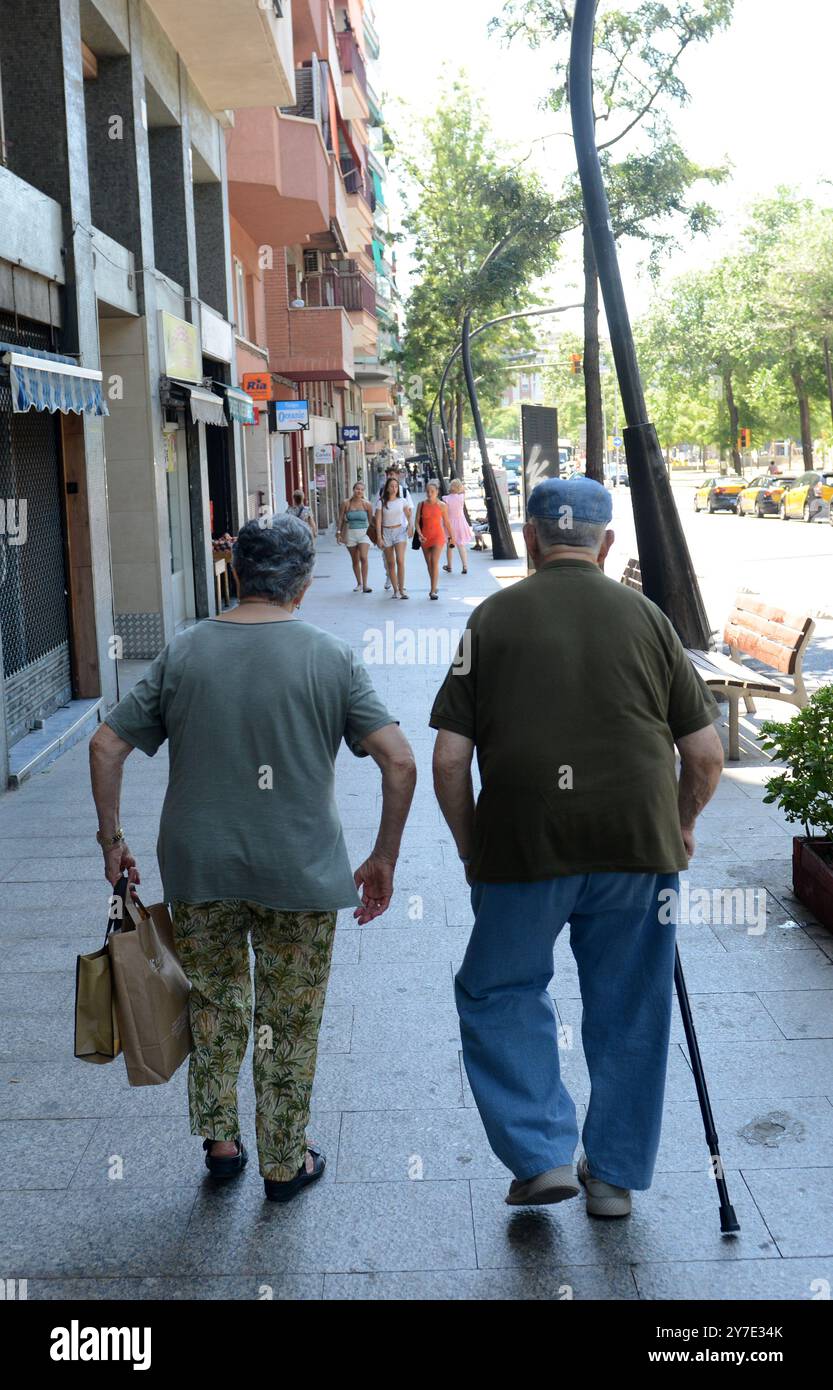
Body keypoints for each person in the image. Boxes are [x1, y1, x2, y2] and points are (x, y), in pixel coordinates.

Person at [89, 515, 416, 1204]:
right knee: (287, 1018)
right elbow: (399, 761)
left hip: (198, 864)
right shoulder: (329, 656)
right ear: (301, 582)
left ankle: (221, 1143)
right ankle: (284, 1162)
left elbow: (105, 746)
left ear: (236, 573)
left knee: (213, 1003)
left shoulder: (184, 653)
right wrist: (382, 856)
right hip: (299, 869)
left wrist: (111, 840)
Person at [429, 476, 724, 1215]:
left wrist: (472, 848)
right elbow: (706, 754)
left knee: (498, 990)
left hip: (523, 844)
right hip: (636, 844)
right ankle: (615, 1180)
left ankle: (539, 1155)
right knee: (631, 1005)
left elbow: (445, 759)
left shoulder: (490, 619)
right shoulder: (646, 618)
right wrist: (681, 824)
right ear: (608, 542)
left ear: (529, 539)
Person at [374, 475, 413, 600]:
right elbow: (378, 521)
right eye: (392, 486)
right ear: (387, 488)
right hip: (386, 533)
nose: (394, 488)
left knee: (400, 561)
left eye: (396, 486)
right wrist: (379, 538)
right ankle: (395, 590)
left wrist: (411, 528)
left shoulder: (402, 501)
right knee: (390, 563)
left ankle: (402, 590)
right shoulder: (381, 502)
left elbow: (409, 516)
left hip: (400, 532)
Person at [415, 479, 452, 600]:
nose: (429, 493)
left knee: (434, 562)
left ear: (437, 492)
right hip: (425, 537)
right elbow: (416, 522)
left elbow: (447, 522)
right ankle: (434, 585)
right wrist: (420, 534)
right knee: (429, 563)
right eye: (428, 491)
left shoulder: (442, 505)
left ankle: (432, 591)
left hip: (438, 536)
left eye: (432, 491)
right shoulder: (421, 505)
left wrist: (452, 537)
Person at [337, 481, 373, 593]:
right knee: (355, 560)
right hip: (350, 533)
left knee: (363, 557)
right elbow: (341, 519)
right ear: (353, 489)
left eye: (362, 490)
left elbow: (371, 522)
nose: (359, 491)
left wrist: (376, 536)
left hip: (364, 534)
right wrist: (338, 533)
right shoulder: (346, 503)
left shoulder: (367, 504)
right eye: (357, 489)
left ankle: (365, 585)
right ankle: (359, 583)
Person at [443, 479, 474, 575]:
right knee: (461, 545)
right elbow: (463, 490)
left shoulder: (445, 498)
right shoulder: (461, 497)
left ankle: (449, 566)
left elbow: (445, 512)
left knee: (449, 545)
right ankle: (465, 566)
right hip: (460, 523)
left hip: (450, 523)